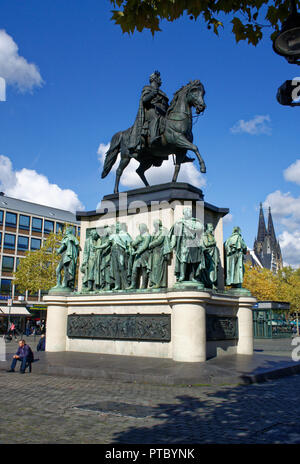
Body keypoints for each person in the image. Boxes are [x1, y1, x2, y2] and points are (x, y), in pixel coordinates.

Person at [129, 70, 169, 155]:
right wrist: (153, 93)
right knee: (155, 117)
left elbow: (166, 105)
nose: (161, 80)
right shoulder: (147, 88)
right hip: (151, 110)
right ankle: (153, 138)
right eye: (159, 79)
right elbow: (144, 100)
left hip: (162, 112)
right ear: (154, 79)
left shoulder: (163, 93)